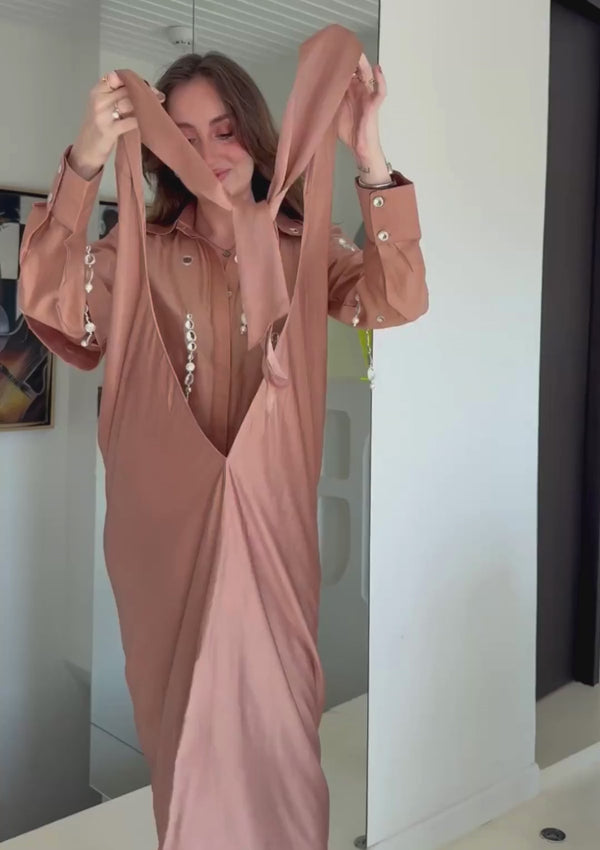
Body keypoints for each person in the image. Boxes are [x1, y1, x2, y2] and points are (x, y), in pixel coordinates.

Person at [19, 26, 427, 850]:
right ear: (163, 152)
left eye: (226, 130)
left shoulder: (306, 245)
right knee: (185, 741)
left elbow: (395, 298)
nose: (210, 154)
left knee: (280, 735)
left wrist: (369, 155)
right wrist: (86, 162)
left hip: (272, 526)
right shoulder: (138, 252)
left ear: (254, 132)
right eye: (186, 136)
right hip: (164, 535)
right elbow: (53, 302)